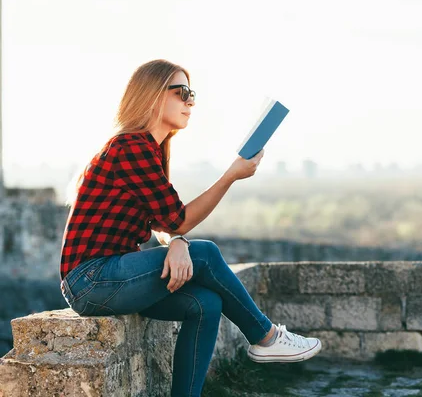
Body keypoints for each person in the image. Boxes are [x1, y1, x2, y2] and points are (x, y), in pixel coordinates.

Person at [59, 59, 322, 396]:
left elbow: (165, 224)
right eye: (182, 93)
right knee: (207, 253)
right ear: (153, 95)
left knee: (206, 304)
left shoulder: (150, 151)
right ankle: (265, 337)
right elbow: (178, 218)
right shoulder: (130, 147)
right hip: (92, 279)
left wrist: (179, 242)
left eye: (192, 94)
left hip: (114, 279)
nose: (190, 103)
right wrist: (230, 176)